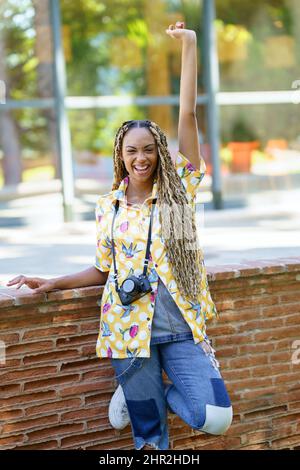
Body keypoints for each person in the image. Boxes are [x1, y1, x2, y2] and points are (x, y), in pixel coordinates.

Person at [6, 22, 233, 451]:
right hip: (127, 330)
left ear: (160, 153)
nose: (141, 157)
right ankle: (136, 395)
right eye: (132, 150)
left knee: (214, 416)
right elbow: (102, 269)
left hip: (182, 328)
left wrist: (189, 45)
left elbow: (188, 114)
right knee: (149, 439)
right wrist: (52, 282)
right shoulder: (107, 206)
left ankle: (148, 395)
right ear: (121, 156)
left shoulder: (180, 190)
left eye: (148, 149)